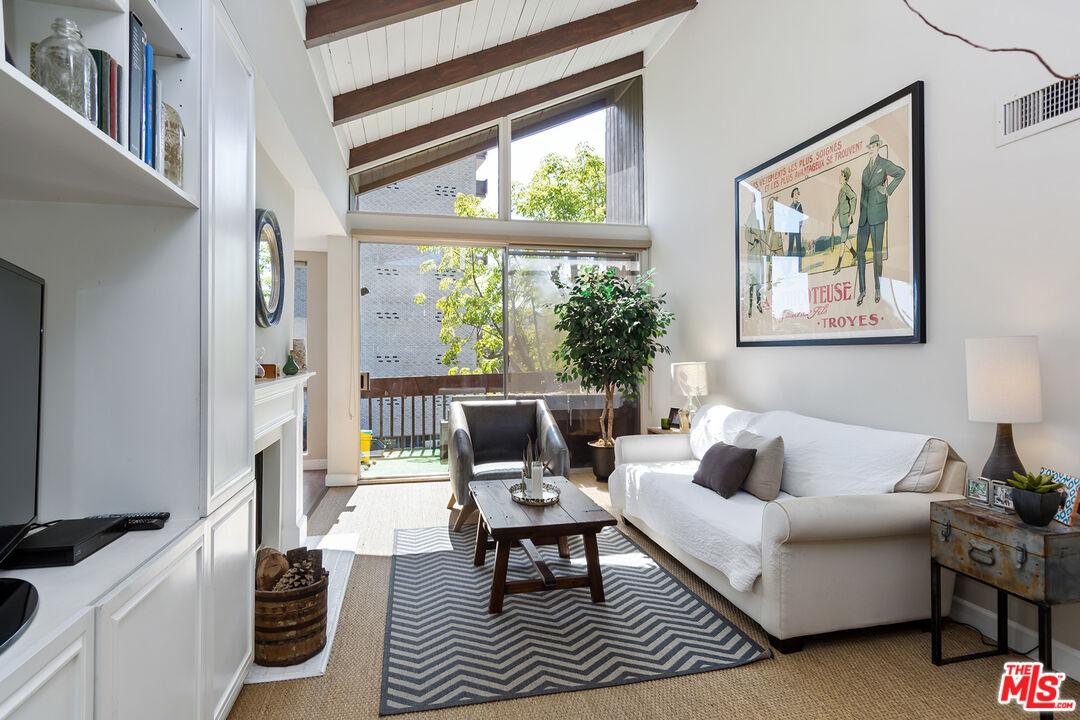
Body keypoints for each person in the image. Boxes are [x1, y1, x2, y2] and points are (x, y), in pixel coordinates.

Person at [856, 134, 905, 305]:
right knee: (860, 254)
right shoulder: (864, 171)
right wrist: (860, 217)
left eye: (873, 146)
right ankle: (862, 291)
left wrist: (888, 190)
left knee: (877, 253)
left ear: (878, 147)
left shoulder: (884, 164)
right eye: (869, 147)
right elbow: (862, 196)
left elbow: (900, 173)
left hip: (878, 214)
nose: (870, 149)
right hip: (864, 218)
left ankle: (878, 288)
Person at [831, 168, 858, 274]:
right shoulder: (842, 189)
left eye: (841, 175)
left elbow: (854, 197)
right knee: (845, 239)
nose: (840, 177)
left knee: (842, 242)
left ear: (845, 177)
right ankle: (855, 255)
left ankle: (838, 266)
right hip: (841, 219)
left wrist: (851, 215)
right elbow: (839, 205)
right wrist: (834, 215)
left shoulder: (846, 188)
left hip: (846, 218)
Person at [744, 194, 767, 317]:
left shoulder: (761, 214)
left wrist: (764, 249)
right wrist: (754, 238)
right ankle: (750, 306)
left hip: (759, 253)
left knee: (758, 281)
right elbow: (747, 233)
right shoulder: (751, 215)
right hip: (753, 252)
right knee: (752, 281)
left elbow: (763, 233)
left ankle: (758, 303)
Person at [787, 187, 805, 256]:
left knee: (798, 244)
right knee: (790, 245)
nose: (796, 196)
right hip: (791, 228)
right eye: (795, 194)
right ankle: (789, 259)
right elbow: (788, 219)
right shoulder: (790, 207)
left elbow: (801, 215)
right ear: (792, 195)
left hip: (797, 227)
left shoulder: (799, 205)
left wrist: (800, 224)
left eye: (797, 194)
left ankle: (799, 259)